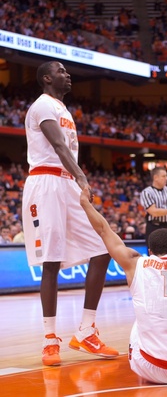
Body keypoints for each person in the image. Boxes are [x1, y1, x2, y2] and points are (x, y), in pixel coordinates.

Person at [22, 61, 119, 366]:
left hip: (66, 184)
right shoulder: (42, 106)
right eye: (61, 71)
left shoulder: (65, 110)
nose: (68, 75)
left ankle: (86, 331)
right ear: (47, 78)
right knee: (51, 262)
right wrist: (83, 178)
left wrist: (76, 180)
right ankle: (50, 340)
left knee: (103, 251)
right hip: (46, 182)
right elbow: (59, 147)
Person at [80, 185, 167, 384]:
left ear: (149, 250)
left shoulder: (135, 263)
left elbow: (104, 230)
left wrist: (85, 203)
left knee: (140, 320)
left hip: (149, 369)